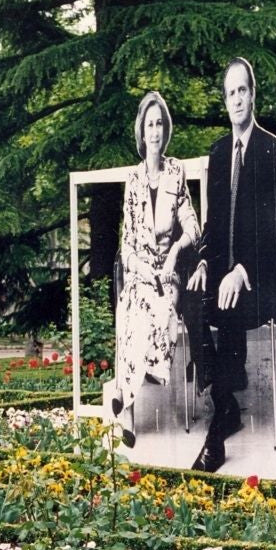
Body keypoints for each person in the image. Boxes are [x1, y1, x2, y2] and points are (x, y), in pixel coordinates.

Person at [187, 57, 276, 473]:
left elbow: (272, 228)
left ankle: (216, 439)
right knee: (191, 299)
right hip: (221, 270)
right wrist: (201, 263)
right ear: (225, 100)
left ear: (253, 95)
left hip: (257, 277)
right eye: (229, 92)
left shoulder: (270, 148)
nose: (236, 99)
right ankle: (226, 401)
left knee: (229, 311)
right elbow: (213, 224)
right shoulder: (217, 152)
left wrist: (241, 270)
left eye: (242, 90)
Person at [112, 90, 207, 447]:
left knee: (160, 309)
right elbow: (127, 245)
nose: (154, 131)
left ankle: (129, 388)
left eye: (159, 124)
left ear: (166, 130)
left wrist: (172, 257)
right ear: (141, 131)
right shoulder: (133, 181)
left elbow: (192, 227)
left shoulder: (176, 171)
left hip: (168, 277)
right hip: (140, 274)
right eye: (149, 124)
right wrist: (142, 270)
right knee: (130, 313)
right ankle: (129, 416)